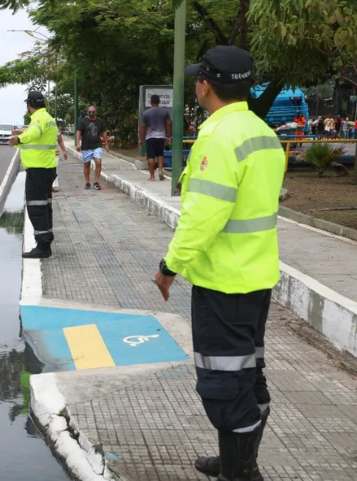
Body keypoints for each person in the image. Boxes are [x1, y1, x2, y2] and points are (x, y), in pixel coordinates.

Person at [154, 45, 285, 481]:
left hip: (223, 285)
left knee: (224, 386)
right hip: (256, 279)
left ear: (206, 86)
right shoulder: (263, 133)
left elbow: (203, 218)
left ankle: (239, 473)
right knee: (248, 375)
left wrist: (169, 267)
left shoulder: (217, 136)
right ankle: (238, 462)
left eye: (198, 78)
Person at [9, 90, 59, 259]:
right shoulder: (48, 118)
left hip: (38, 170)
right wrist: (21, 137)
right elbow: (36, 138)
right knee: (45, 207)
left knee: (36, 207)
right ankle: (45, 242)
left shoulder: (38, 119)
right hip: (47, 168)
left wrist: (20, 139)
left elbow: (34, 133)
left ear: (29, 105)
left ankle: (43, 246)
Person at [139, 94, 173, 181]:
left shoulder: (146, 113)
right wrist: (169, 137)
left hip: (150, 137)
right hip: (161, 137)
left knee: (150, 156)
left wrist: (140, 139)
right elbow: (169, 124)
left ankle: (152, 176)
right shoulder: (165, 112)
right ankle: (160, 170)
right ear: (159, 102)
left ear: (151, 102)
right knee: (160, 154)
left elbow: (143, 126)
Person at [76, 105, 109, 190]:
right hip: (86, 146)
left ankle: (96, 182)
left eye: (92, 112)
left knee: (98, 162)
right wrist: (77, 143)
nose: (91, 113)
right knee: (87, 164)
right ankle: (87, 182)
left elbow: (104, 133)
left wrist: (106, 144)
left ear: (96, 112)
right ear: (87, 112)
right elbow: (78, 132)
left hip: (97, 145)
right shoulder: (83, 121)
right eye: (89, 112)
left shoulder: (100, 121)